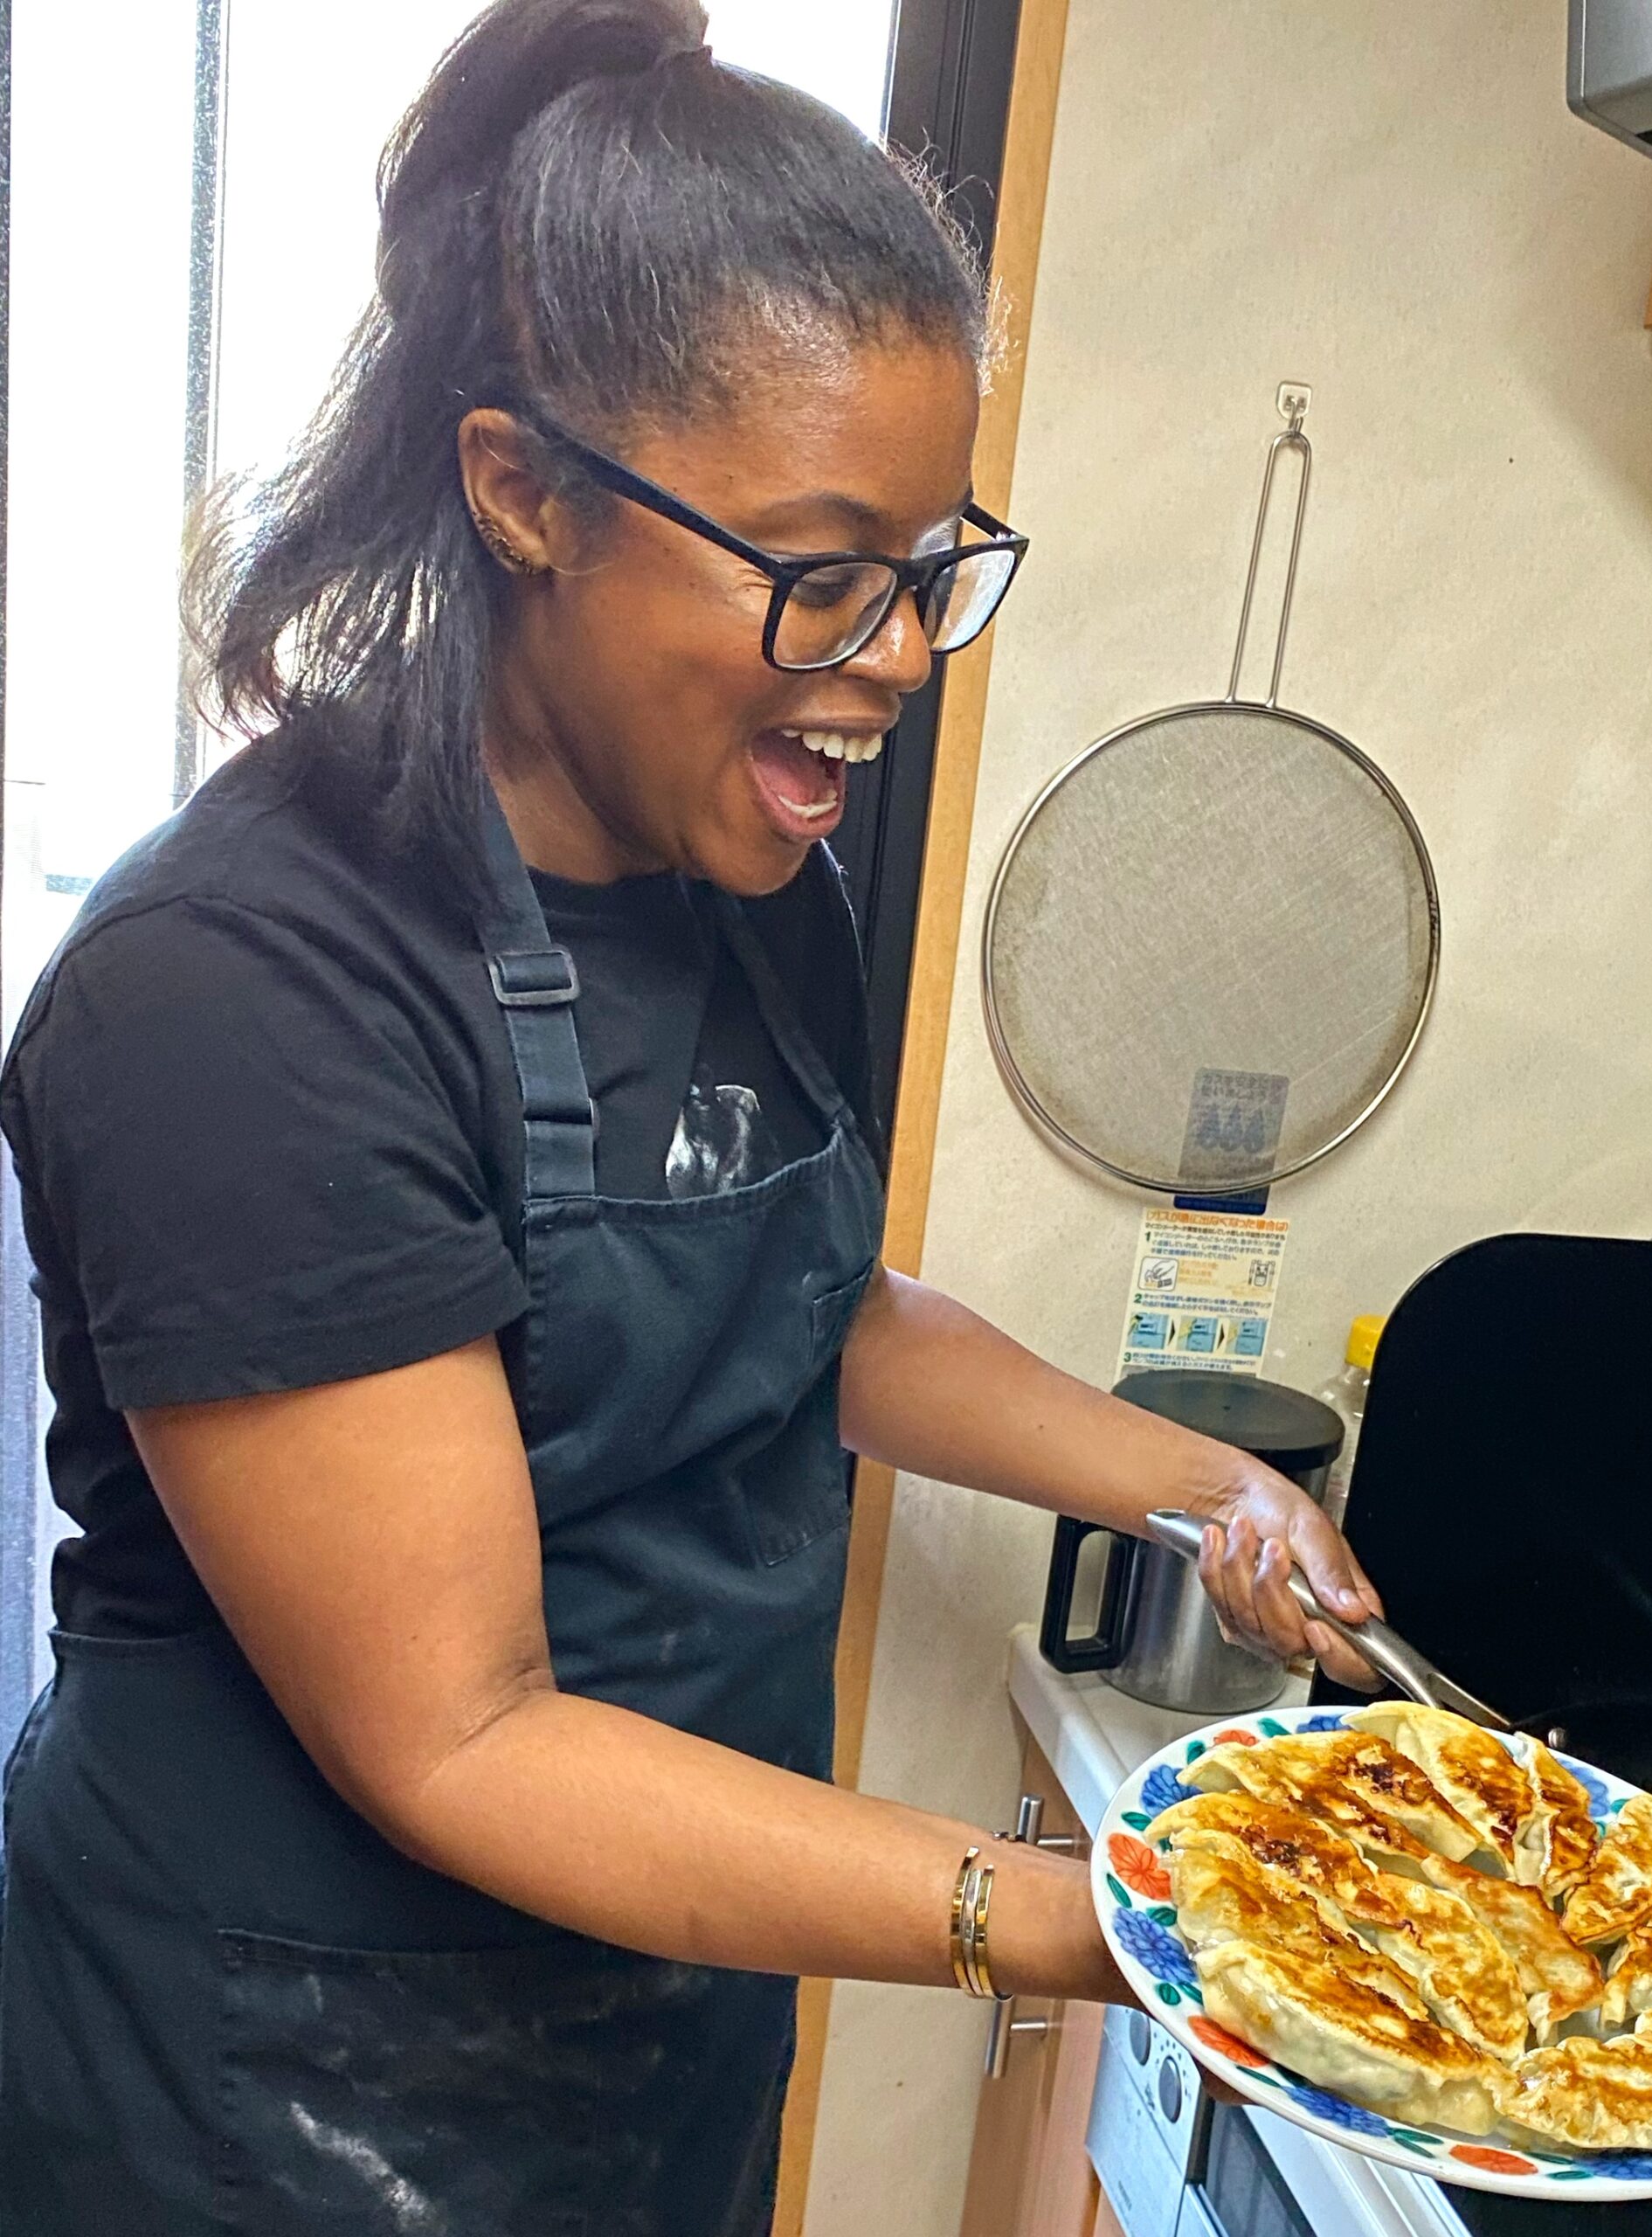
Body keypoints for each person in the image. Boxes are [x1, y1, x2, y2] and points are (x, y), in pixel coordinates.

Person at [0, 3, 1386, 2231]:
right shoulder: (237, 995)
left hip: (647, 2022)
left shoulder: (748, 876)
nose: (900, 652)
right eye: (820, 566)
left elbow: (793, 1298)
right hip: (263, 2080)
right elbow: (459, 1729)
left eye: (930, 565)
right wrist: (1095, 1913)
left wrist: (1196, 1480)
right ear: (521, 488)